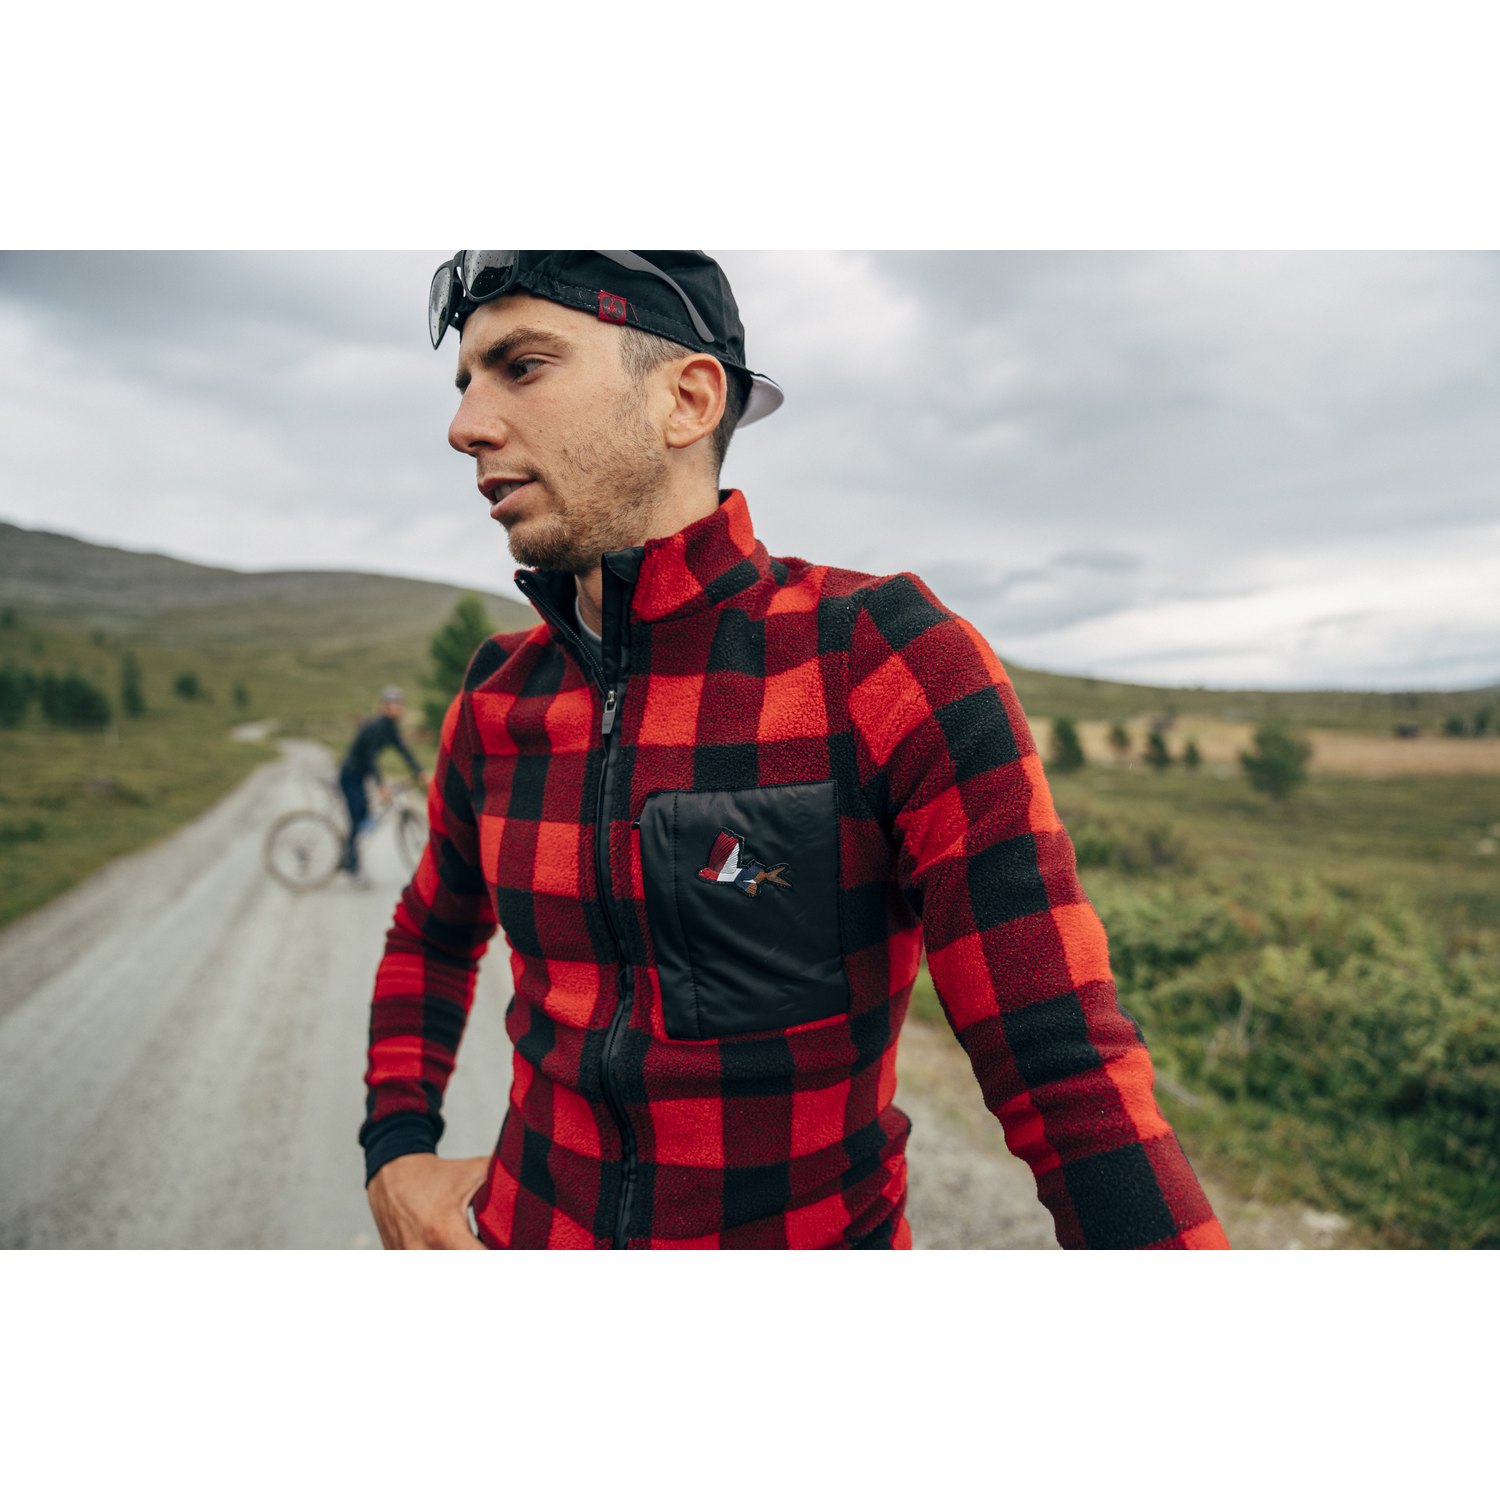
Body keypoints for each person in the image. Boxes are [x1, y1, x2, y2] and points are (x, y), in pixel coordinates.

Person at [360, 250, 1229, 1250]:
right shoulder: (498, 695)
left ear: (686, 400)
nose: (467, 425)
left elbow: (1060, 1059)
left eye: (522, 367)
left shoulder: (880, 662)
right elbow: (430, 935)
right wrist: (397, 1147)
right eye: (465, 383)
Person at [337, 686, 425, 887]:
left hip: (359, 777)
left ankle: (350, 853)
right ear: (385, 706)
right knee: (358, 818)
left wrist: (419, 771)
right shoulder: (376, 726)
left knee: (364, 816)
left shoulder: (390, 727)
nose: (396, 707)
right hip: (350, 776)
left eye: (398, 704)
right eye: (392, 704)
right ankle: (351, 863)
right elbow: (370, 758)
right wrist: (381, 786)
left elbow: (404, 750)